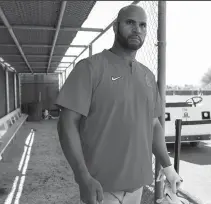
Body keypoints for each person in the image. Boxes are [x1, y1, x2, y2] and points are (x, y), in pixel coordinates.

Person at [55, 4, 183, 204]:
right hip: (100, 188)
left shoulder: (148, 76)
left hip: (137, 187)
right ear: (115, 26)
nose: (137, 29)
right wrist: (82, 176)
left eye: (142, 25)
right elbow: (67, 123)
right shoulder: (90, 68)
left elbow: (154, 124)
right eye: (130, 23)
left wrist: (168, 168)